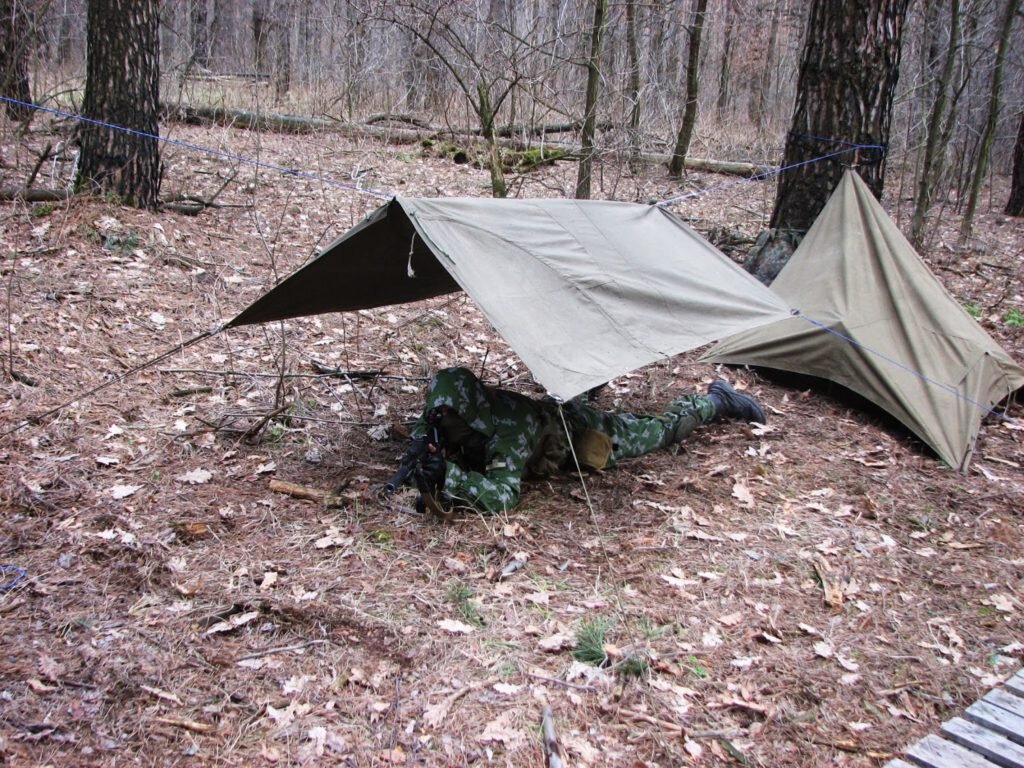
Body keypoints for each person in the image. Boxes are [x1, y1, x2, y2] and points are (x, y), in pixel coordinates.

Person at [390, 366, 766, 514]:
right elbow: (427, 442)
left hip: (570, 435)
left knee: (654, 432)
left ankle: (714, 401)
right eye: (437, 414)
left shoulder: (510, 430)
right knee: (566, 398)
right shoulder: (444, 413)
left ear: (470, 412)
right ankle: (587, 379)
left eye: (450, 417)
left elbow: (504, 495)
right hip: (546, 413)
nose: (441, 422)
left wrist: (450, 479)